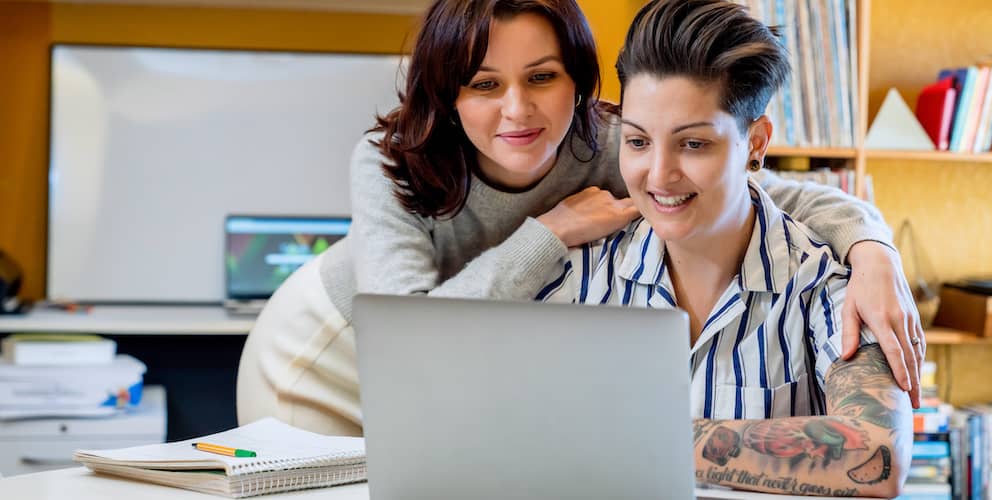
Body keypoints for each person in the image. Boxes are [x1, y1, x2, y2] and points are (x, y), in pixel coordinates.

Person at [236, 0, 924, 437]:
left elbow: (761, 187)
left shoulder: (613, 139)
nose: (518, 111)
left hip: (456, 359)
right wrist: (550, 233)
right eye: (483, 83)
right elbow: (409, 342)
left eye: (542, 77)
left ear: (580, 81)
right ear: (448, 95)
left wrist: (871, 249)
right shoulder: (391, 159)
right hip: (337, 346)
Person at [535, 0, 911, 495]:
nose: (659, 175)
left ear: (755, 144)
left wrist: (622, 440)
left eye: (693, 144)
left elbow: (875, 451)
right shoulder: (574, 277)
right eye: (638, 142)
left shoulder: (830, 288)